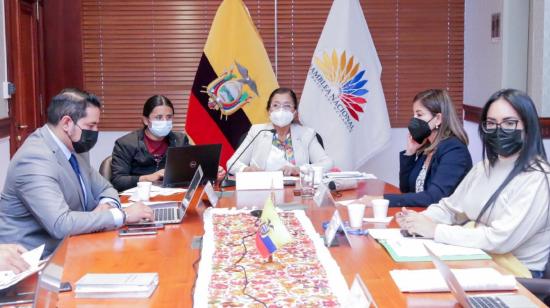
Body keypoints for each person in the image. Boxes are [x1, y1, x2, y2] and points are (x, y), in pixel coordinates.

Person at [397, 89, 550, 278]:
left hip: (517, 275)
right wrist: (416, 221)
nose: (498, 130)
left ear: (528, 126)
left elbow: (499, 240)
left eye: (509, 123)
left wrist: (435, 230)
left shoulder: (538, 178)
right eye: (491, 124)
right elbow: (450, 209)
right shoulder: (483, 168)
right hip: (479, 259)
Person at [0, 89, 153, 256]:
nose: (95, 131)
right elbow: (61, 224)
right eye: (90, 125)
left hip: (76, 244)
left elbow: (106, 188)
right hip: (35, 261)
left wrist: (106, 206)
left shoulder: (76, 148)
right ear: (67, 123)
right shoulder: (34, 159)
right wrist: (121, 215)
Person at [361, 89, 472, 207]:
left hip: (443, 222)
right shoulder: (427, 146)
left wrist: (382, 200)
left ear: (438, 119)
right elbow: (406, 189)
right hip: (420, 215)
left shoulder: (455, 151)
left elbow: (434, 197)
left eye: (419, 115)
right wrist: (410, 152)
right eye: (414, 114)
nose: (414, 119)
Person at [111, 95, 226, 191]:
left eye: (169, 117)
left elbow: (193, 170)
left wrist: (212, 172)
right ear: (146, 120)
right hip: (138, 200)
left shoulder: (180, 140)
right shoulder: (126, 144)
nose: (164, 121)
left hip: (172, 197)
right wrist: (148, 178)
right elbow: (117, 181)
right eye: (159, 117)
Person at [226, 87, 333, 176]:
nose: (281, 110)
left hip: (297, 192)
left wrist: (299, 170)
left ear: (294, 112)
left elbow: (327, 163)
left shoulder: (306, 134)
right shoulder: (257, 131)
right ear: (269, 111)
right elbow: (231, 164)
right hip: (262, 192)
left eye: (287, 106)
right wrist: (246, 170)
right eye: (276, 105)